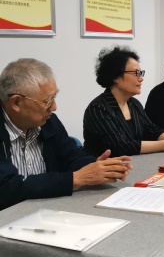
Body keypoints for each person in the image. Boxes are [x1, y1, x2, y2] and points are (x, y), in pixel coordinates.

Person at [0, 58, 132, 211]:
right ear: (16, 102)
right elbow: (6, 188)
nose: (54, 107)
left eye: (54, 97)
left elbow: (70, 156)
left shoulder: (48, 121)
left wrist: (97, 166)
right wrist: (75, 179)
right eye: (47, 101)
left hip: (46, 209)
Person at [83, 46, 164, 157]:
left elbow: (151, 130)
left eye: (141, 73)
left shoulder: (133, 103)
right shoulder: (98, 109)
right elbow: (122, 146)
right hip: (108, 165)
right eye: (136, 73)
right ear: (115, 77)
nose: (141, 78)